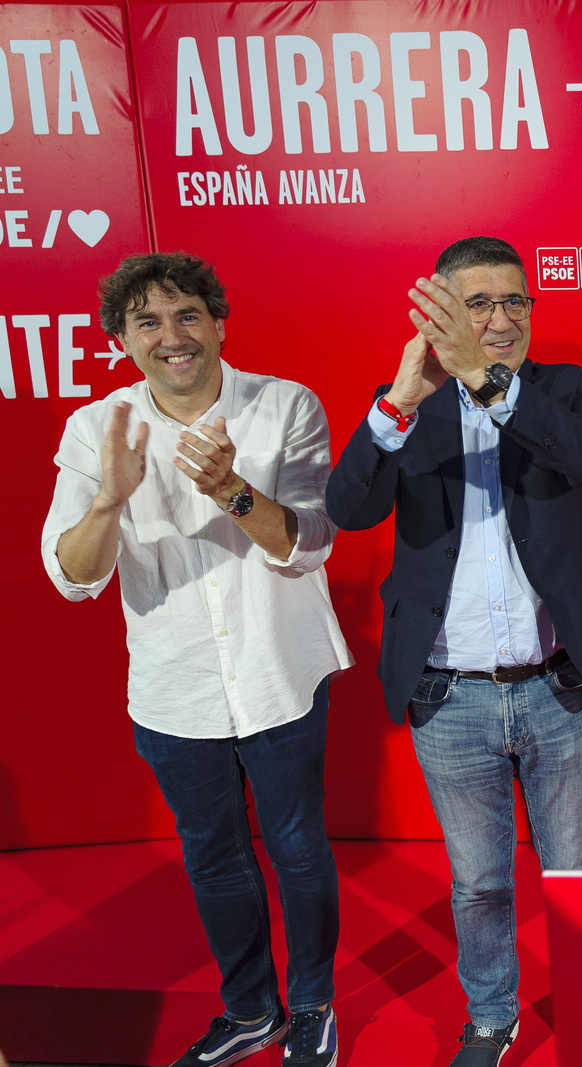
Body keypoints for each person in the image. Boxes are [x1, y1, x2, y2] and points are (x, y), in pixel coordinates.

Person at [41, 253, 351, 1067]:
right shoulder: (94, 430)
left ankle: (314, 1004)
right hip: (174, 688)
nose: (171, 337)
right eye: (148, 322)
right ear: (121, 339)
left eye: (187, 316)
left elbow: (312, 543)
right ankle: (252, 1010)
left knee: (297, 846)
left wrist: (234, 493)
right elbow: (73, 576)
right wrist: (109, 498)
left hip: (280, 672)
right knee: (214, 855)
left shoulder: (284, 405)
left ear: (219, 322)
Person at [324, 236, 582, 1065]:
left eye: (515, 302)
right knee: (479, 882)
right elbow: (349, 508)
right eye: (480, 305)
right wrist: (397, 400)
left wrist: (490, 385)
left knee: (577, 867)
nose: (501, 320)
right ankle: (492, 1014)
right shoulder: (406, 405)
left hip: (555, 684)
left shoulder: (568, 390)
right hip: (447, 694)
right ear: (440, 314)